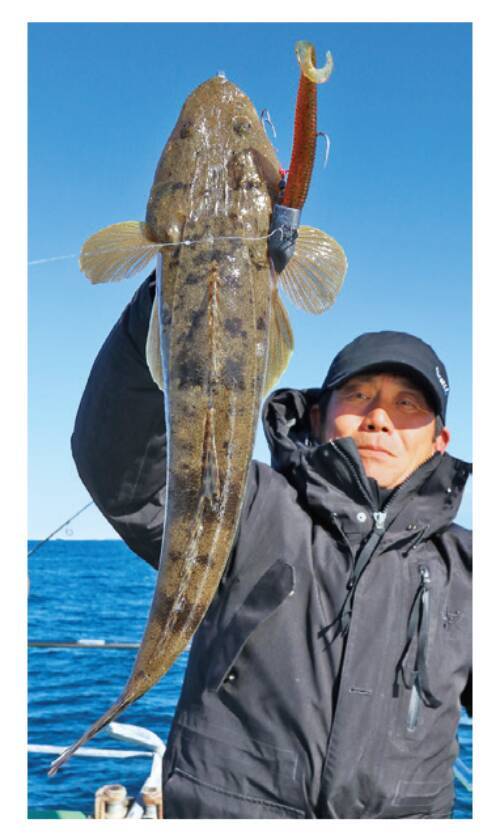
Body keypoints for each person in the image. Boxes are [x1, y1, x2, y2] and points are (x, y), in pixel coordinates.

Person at [71, 272, 472, 819]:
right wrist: (176, 286)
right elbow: (122, 465)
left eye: (408, 405)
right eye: (358, 396)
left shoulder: (471, 569)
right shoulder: (248, 501)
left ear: (439, 441)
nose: (380, 418)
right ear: (317, 416)